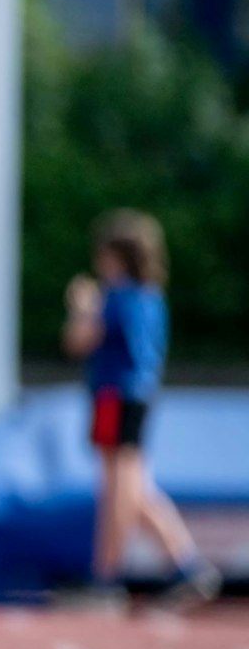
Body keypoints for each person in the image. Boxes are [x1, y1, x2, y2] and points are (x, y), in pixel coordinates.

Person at [62, 209, 220, 610]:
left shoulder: (115, 297)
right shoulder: (152, 297)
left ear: (115, 255)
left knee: (118, 486)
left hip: (116, 394)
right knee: (133, 486)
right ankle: (184, 563)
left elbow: (78, 341)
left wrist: (82, 306)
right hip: (139, 394)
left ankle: (107, 577)